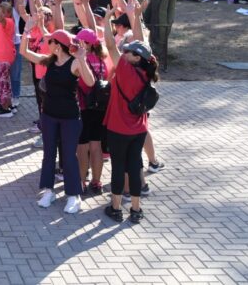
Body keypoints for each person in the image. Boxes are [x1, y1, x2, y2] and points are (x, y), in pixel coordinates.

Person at [21, 28, 95, 214]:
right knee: (49, 154)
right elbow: (24, 52)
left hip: (70, 118)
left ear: (59, 45)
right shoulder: (50, 61)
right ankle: (48, 191)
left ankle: (73, 195)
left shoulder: (74, 63)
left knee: (69, 156)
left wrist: (82, 58)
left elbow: (91, 81)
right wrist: (26, 31)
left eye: (51, 41)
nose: (48, 44)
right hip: (49, 116)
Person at [103, 37, 158, 224]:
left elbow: (110, 45)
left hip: (119, 128)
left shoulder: (126, 70)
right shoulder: (147, 72)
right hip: (139, 128)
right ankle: (136, 209)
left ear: (136, 58)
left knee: (118, 168)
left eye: (128, 52)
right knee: (135, 167)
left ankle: (116, 208)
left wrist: (109, 18)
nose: (124, 53)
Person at [75, 28, 112, 195]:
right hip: (100, 108)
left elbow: (83, 82)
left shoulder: (82, 60)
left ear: (87, 44)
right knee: (96, 146)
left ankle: (82, 182)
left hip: (83, 107)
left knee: (82, 148)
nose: (76, 44)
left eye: (79, 41)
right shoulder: (102, 59)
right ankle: (97, 181)